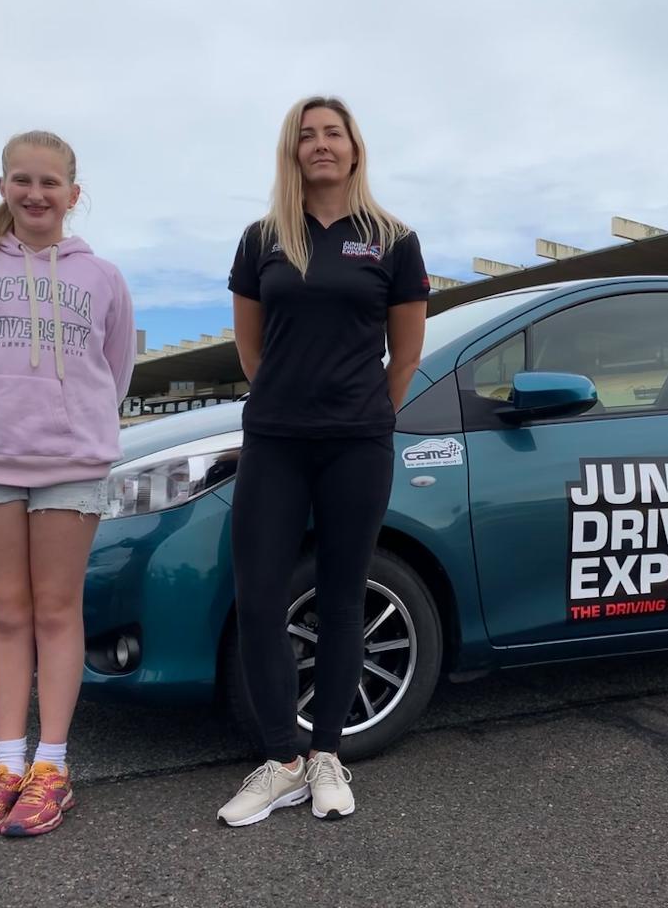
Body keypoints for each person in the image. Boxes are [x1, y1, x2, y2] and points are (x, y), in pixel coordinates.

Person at [218, 96, 429, 825]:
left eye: (331, 133)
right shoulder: (262, 238)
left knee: (343, 598)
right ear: (292, 152)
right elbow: (251, 347)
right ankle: (281, 762)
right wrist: (286, 396)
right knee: (261, 595)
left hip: (357, 442)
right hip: (275, 438)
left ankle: (328, 756)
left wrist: (363, 409)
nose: (319, 145)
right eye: (306, 136)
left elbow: (404, 355)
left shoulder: (393, 239)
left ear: (354, 147)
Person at [0, 130, 136, 837]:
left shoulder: (101, 276)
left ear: (73, 195)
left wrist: (81, 425)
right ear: (3, 186)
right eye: (22, 179)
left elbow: (115, 366)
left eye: (50, 183)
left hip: (71, 463)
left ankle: (51, 765)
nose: (35, 193)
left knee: (56, 609)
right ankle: (4, 765)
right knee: (7, 611)